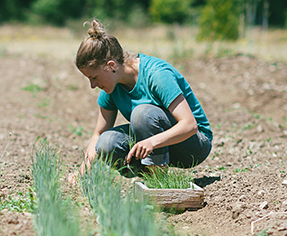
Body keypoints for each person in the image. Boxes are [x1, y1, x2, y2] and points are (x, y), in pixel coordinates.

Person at [75, 18, 212, 175]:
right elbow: (98, 134)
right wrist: (81, 174)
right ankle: (150, 177)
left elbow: (189, 125)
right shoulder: (110, 89)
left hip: (194, 144)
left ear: (111, 66)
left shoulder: (157, 75)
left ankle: (159, 180)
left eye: (94, 77)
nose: (92, 85)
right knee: (106, 142)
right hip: (157, 145)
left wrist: (152, 142)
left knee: (142, 113)